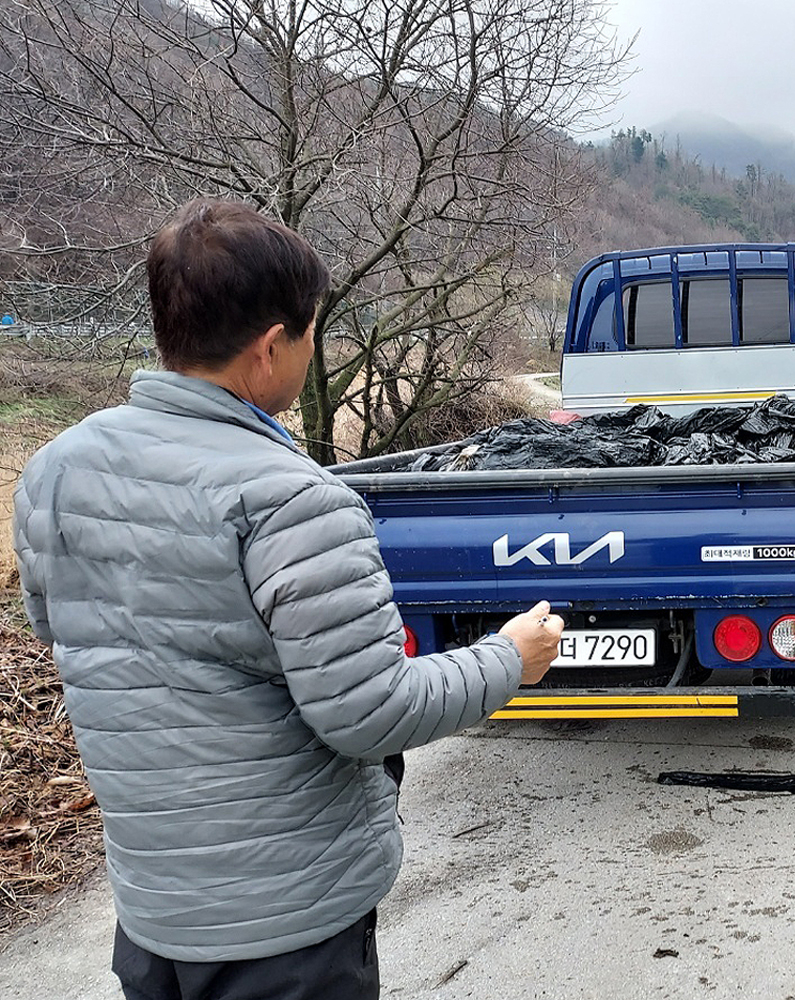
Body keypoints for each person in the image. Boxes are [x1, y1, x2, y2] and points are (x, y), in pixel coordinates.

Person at [12, 198, 563, 1000]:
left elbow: (61, 627)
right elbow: (371, 713)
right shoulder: (294, 501)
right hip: (287, 931)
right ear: (272, 348)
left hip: (155, 915)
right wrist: (507, 659)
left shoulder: (57, 470)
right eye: (311, 331)